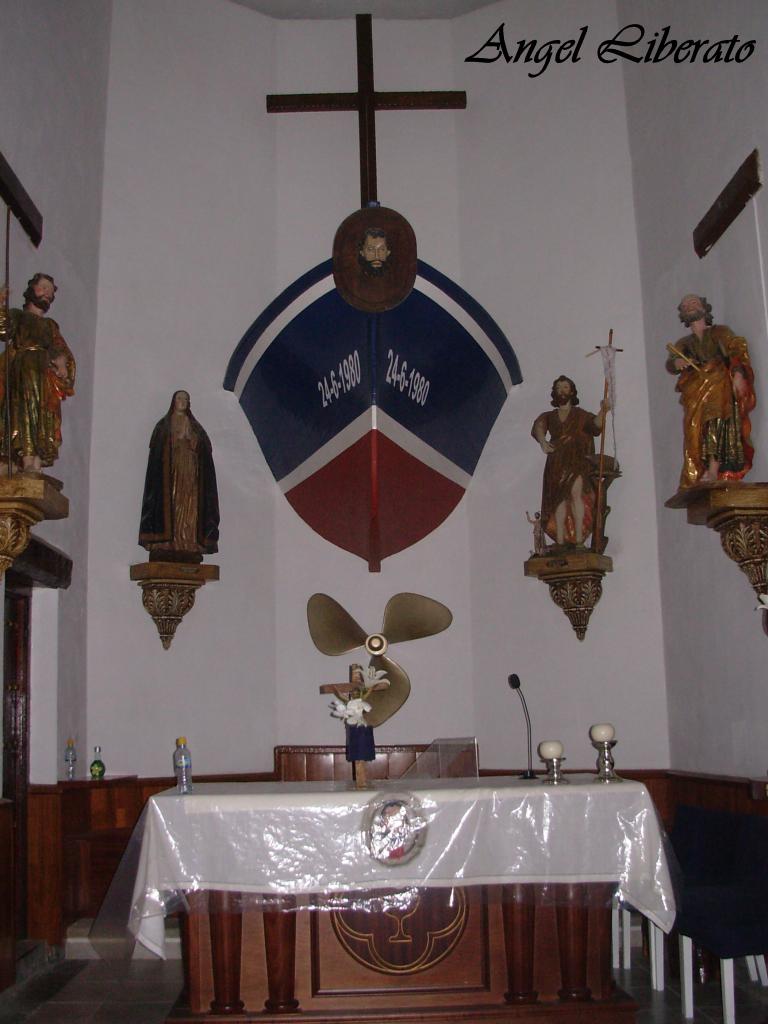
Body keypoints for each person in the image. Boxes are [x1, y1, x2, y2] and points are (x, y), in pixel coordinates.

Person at [666, 294, 755, 489]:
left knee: (716, 420)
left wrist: (738, 374)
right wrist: (677, 362)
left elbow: (736, 351)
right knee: (697, 431)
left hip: (719, 385)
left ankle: (714, 468)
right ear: (682, 314)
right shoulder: (684, 343)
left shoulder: (721, 332)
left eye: (694, 302)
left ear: (704, 308)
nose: (690, 306)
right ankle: (703, 468)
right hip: (696, 391)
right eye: (686, 305)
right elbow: (671, 363)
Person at [0, 273, 75, 472]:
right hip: (23, 370)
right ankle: (24, 458)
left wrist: (61, 362)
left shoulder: (50, 326)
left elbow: (60, 350)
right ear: (31, 289)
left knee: (44, 417)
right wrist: (1, 304)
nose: (47, 294)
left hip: (44, 377)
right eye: (43, 288)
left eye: (50, 292)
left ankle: (38, 460)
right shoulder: (18, 315)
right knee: (23, 413)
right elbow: (4, 331)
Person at [139, 391, 219, 561]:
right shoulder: (164, 426)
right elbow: (157, 458)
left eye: (186, 399)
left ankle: (187, 542)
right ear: (173, 402)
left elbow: (205, 453)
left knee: (189, 506)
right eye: (179, 399)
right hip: (170, 474)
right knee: (172, 505)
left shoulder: (195, 427)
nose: (182, 402)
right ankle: (168, 542)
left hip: (190, 471)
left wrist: (194, 443)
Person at [531, 376, 610, 548]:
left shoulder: (581, 415)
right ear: (555, 392)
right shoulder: (550, 416)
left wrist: (603, 411)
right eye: (559, 388)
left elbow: (595, 426)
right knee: (559, 501)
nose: (562, 391)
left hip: (578, 461)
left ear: (572, 391)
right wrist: (543, 442)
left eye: (565, 387)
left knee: (577, 496)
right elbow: (538, 427)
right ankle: (560, 539)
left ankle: (579, 539)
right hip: (557, 463)